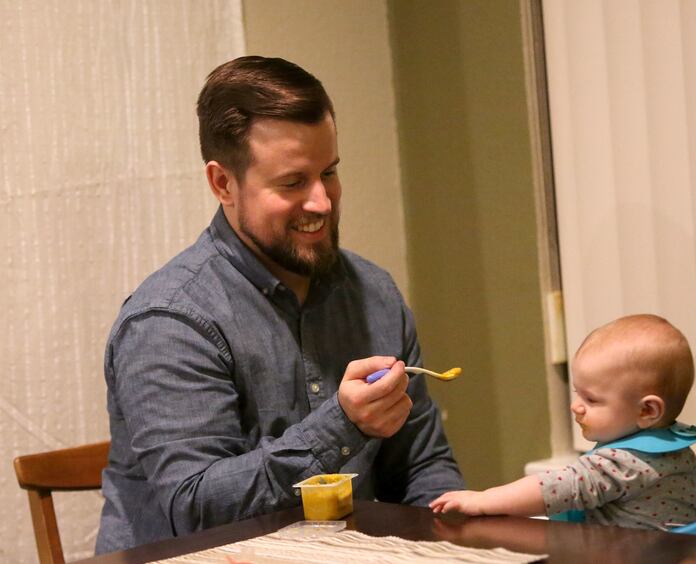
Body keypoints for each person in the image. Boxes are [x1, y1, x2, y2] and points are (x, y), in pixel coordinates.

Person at [96, 56, 463, 554]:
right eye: (293, 183)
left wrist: (456, 535)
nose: (323, 203)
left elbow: (422, 465)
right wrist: (344, 425)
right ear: (223, 183)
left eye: (329, 173)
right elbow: (196, 511)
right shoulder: (170, 320)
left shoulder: (373, 292)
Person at [430, 314, 696, 531]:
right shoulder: (673, 447)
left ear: (647, 410)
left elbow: (555, 488)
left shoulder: (623, 462)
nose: (576, 406)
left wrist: (483, 500)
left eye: (592, 399)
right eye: (578, 393)